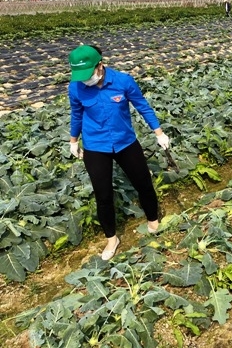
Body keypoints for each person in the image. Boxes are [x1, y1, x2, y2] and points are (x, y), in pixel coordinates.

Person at [67, 45, 169, 261]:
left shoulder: (123, 81)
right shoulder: (75, 88)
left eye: (88, 74)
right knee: (103, 195)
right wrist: (73, 141)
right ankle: (112, 239)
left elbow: (143, 106)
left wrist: (159, 133)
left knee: (143, 184)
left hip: (125, 142)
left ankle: (153, 221)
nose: (85, 80)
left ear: (100, 65)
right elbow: (76, 115)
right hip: (95, 146)